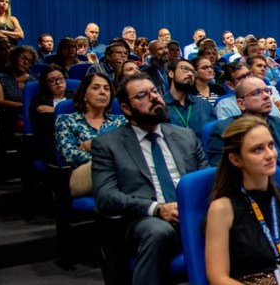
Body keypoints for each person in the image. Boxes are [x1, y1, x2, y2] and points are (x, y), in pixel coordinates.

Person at [91, 73, 208, 285]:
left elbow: (206, 180)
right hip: (145, 219)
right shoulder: (108, 144)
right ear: (126, 108)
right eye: (142, 95)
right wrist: (157, 209)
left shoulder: (185, 136)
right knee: (158, 231)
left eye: (154, 91)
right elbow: (106, 196)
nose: (154, 98)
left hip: (192, 213)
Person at [205, 115, 280, 285]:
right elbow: (218, 277)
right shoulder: (222, 208)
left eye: (271, 145)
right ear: (236, 160)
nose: (270, 155)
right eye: (257, 149)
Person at [206, 77, 280, 193]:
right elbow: (225, 176)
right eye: (256, 93)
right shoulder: (224, 130)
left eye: (267, 91)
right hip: (256, 195)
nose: (266, 96)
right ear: (241, 104)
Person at [55, 72, 127, 197]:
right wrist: (111, 155)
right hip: (85, 175)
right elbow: (70, 155)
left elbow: (132, 148)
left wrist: (94, 145)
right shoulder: (66, 120)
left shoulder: (121, 121)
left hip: (121, 172)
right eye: (95, 88)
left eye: (106, 88)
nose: (102, 92)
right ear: (84, 95)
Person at [162, 58, 217, 142]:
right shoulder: (160, 106)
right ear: (171, 73)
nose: (190, 74)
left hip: (203, 153)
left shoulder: (204, 105)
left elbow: (215, 138)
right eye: (185, 69)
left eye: (193, 72)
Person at [0, 46, 37, 155]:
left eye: (30, 62)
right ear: (14, 57)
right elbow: (0, 101)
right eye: (23, 58)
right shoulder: (0, 78)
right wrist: (22, 106)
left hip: (31, 115)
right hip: (9, 116)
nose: (26, 63)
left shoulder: (35, 80)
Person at [31, 65, 74, 163]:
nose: (58, 82)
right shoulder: (39, 99)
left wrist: (54, 110)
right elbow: (44, 121)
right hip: (51, 139)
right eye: (52, 80)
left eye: (60, 78)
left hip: (75, 136)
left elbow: (83, 114)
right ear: (46, 84)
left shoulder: (74, 96)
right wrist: (70, 113)